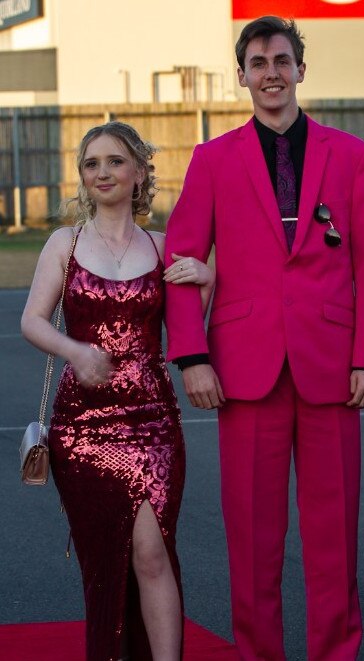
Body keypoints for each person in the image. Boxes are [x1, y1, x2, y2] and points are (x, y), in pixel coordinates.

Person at [164, 16, 364, 661]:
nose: (271, 73)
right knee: (254, 539)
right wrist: (193, 358)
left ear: (300, 69)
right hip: (243, 369)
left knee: (333, 540)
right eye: (258, 62)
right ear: (242, 75)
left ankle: (335, 652)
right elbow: (182, 262)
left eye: (282, 60)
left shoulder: (351, 155)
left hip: (331, 369)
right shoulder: (212, 160)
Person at [21, 121, 214, 660]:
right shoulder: (65, 243)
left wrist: (207, 277)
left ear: (139, 171)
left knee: (152, 553)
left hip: (153, 422)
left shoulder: (162, 247)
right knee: (105, 558)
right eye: (91, 164)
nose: (102, 172)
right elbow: (32, 321)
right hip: (81, 430)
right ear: (83, 178)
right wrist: (77, 351)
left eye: (114, 161)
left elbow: (187, 326)